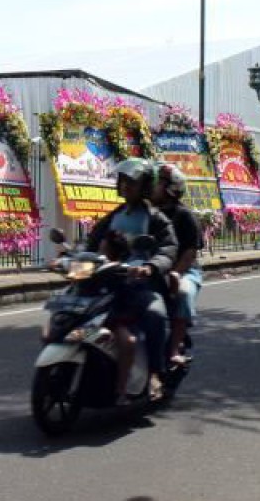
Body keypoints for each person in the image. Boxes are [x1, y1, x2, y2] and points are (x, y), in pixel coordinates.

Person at [84, 158, 177, 404]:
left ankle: (156, 373)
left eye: (132, 183)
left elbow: (168, 248)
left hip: (142, 285)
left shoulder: (156, 218)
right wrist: (73, 256)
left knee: (156, 315)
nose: (125, 186)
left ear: (145, 186)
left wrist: (150, 267)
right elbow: (93, 242)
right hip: (112, 280)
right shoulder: (114, 216)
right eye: (123, 181)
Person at [150, 163, 203, 367]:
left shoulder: (184, 216)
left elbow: (190, 252)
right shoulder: (145, 212)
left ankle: (174, 347)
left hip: (184, 270)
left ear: (171, 188)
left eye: (158, 183)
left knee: (183, 293)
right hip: (151, 267)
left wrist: (175, 273)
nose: (153, 186)